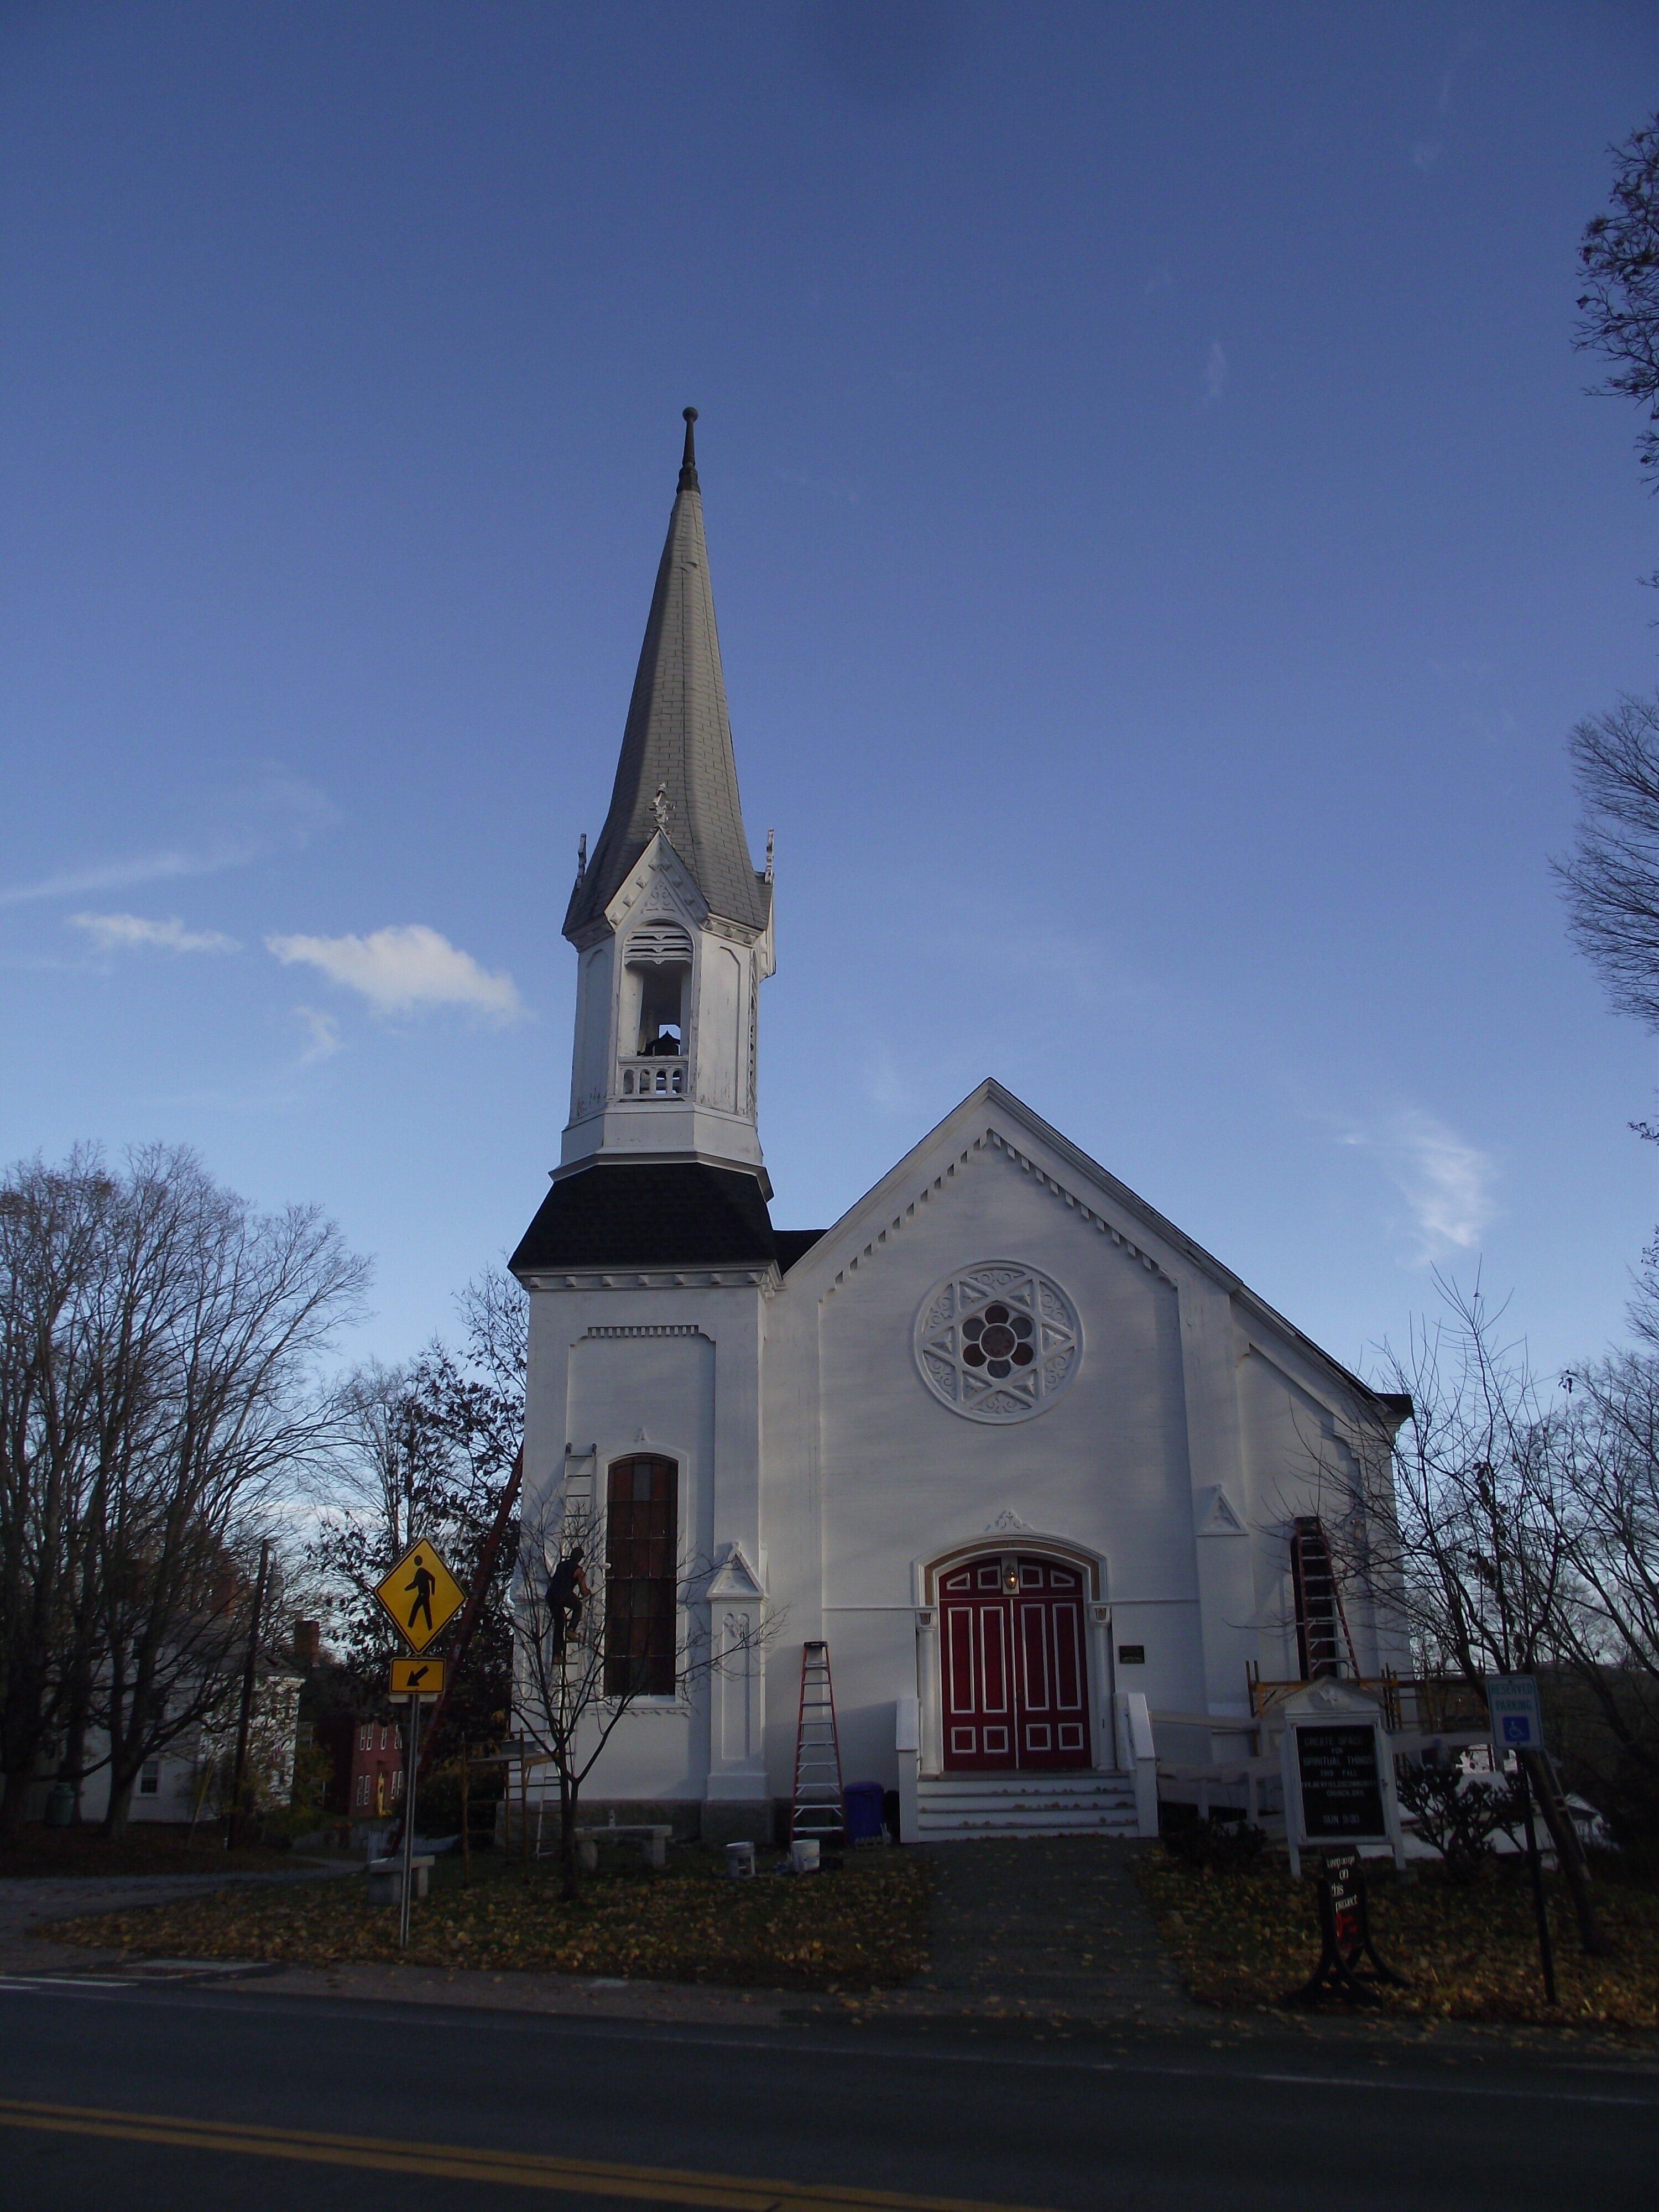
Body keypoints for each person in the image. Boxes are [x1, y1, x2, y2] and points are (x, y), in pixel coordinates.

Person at [545, 1547, 592, 1658]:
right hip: (563, 1594)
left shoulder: (560, 1565)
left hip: (551, 1595)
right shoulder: (579, 1571)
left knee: (560, 1622)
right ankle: (571, 1630)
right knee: (578, 1606)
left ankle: (557, 1655)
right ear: (580, 1558)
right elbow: (584, 1592)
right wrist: (591, 1591)